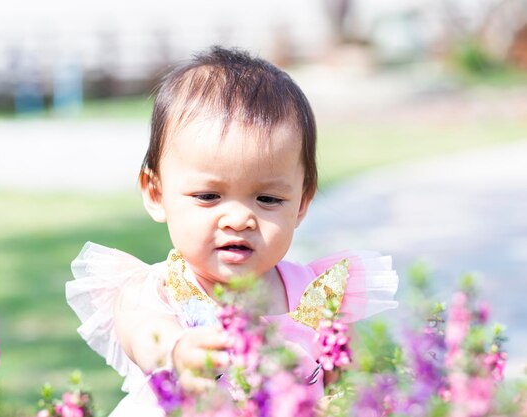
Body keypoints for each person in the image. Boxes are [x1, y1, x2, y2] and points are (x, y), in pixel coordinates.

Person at [66, 46, 399, 416]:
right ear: (156, 193)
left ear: (302, 203)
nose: (239, 219)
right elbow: (143, 335)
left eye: (268, 199)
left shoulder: (316, 296)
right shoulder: (156, 292)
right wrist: (176, 350)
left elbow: (342, 375)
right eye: (209, 196)